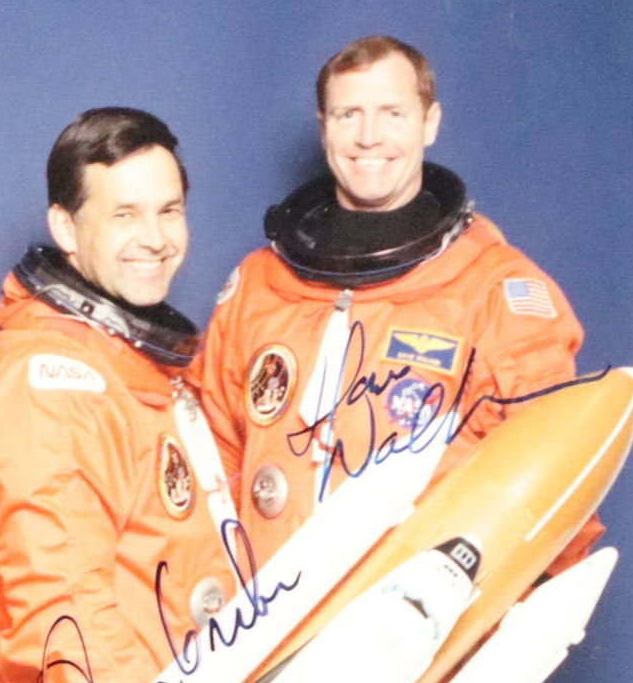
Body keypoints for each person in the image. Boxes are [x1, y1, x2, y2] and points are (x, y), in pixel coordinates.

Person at [191, 34, 590, 570]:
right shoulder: (259, 284)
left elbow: (554, 484)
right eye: (347, 114)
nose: (368, 137)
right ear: (323, 127)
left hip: (416, 631)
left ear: (430, 122)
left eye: (393, 113)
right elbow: (209, 462)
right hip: (269, 625)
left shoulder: (493, 290)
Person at [0, 108, 244, 683]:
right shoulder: (53, 378)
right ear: (66, 227)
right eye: (124, 215)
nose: (154, 237)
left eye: (168, 211)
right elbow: (59, 595)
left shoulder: (129, 362)